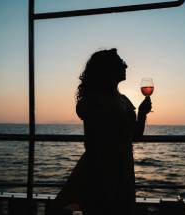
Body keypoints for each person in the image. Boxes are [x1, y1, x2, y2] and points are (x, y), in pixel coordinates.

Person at [55, 48, 152, 215]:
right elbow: (97, 139)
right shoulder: (94, 100)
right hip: (101, 172)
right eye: (121, 62)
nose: (126, 65)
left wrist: (142, 114)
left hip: (123, 170)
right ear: (108, 68)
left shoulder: (123, 100)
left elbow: (135, 135)